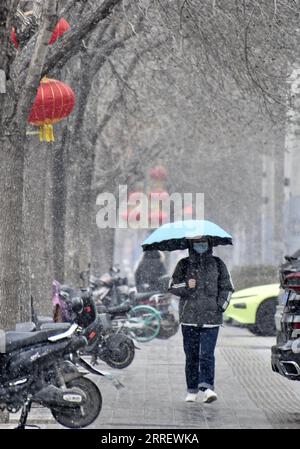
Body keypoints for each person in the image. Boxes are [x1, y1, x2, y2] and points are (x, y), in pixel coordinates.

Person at [168, 237, 234, 403]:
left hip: (211, 320)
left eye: (203, 242)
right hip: (189, 318)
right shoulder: (184, 264)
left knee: (206, 354)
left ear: (210, 243)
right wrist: (186, 286)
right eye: (196, 242)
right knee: (191, 356)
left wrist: (220, 307)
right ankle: (192, 390)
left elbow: (227, 287)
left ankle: (207, 388)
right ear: (191, 244)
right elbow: (172, 286)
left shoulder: (218, 264)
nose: (200, 245)